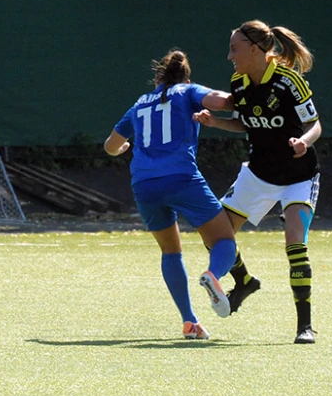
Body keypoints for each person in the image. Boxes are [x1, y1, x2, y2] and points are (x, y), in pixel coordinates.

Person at [195, 20, 322, 344]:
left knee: (295, 241)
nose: (229, 56)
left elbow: (315, 124)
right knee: (214, 233)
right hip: (258, 174)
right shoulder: (238, 82)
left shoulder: (288, 80)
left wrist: (304, 141)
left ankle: (304, 326)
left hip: (298, 176)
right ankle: (245, 281)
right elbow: (246, 125)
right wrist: (216, 123)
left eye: (234, 48)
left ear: (255, 49)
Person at [104, 49, 244, 340]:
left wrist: (122, 149)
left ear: (158, 77)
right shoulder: (188, 91)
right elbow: (223, 101)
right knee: (224, 240)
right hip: (181, 178)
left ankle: (189, 321)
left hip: (144, 184)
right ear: (185, 76)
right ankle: (213, 276)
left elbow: (109, 146)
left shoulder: (139, 104)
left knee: (170, 251)